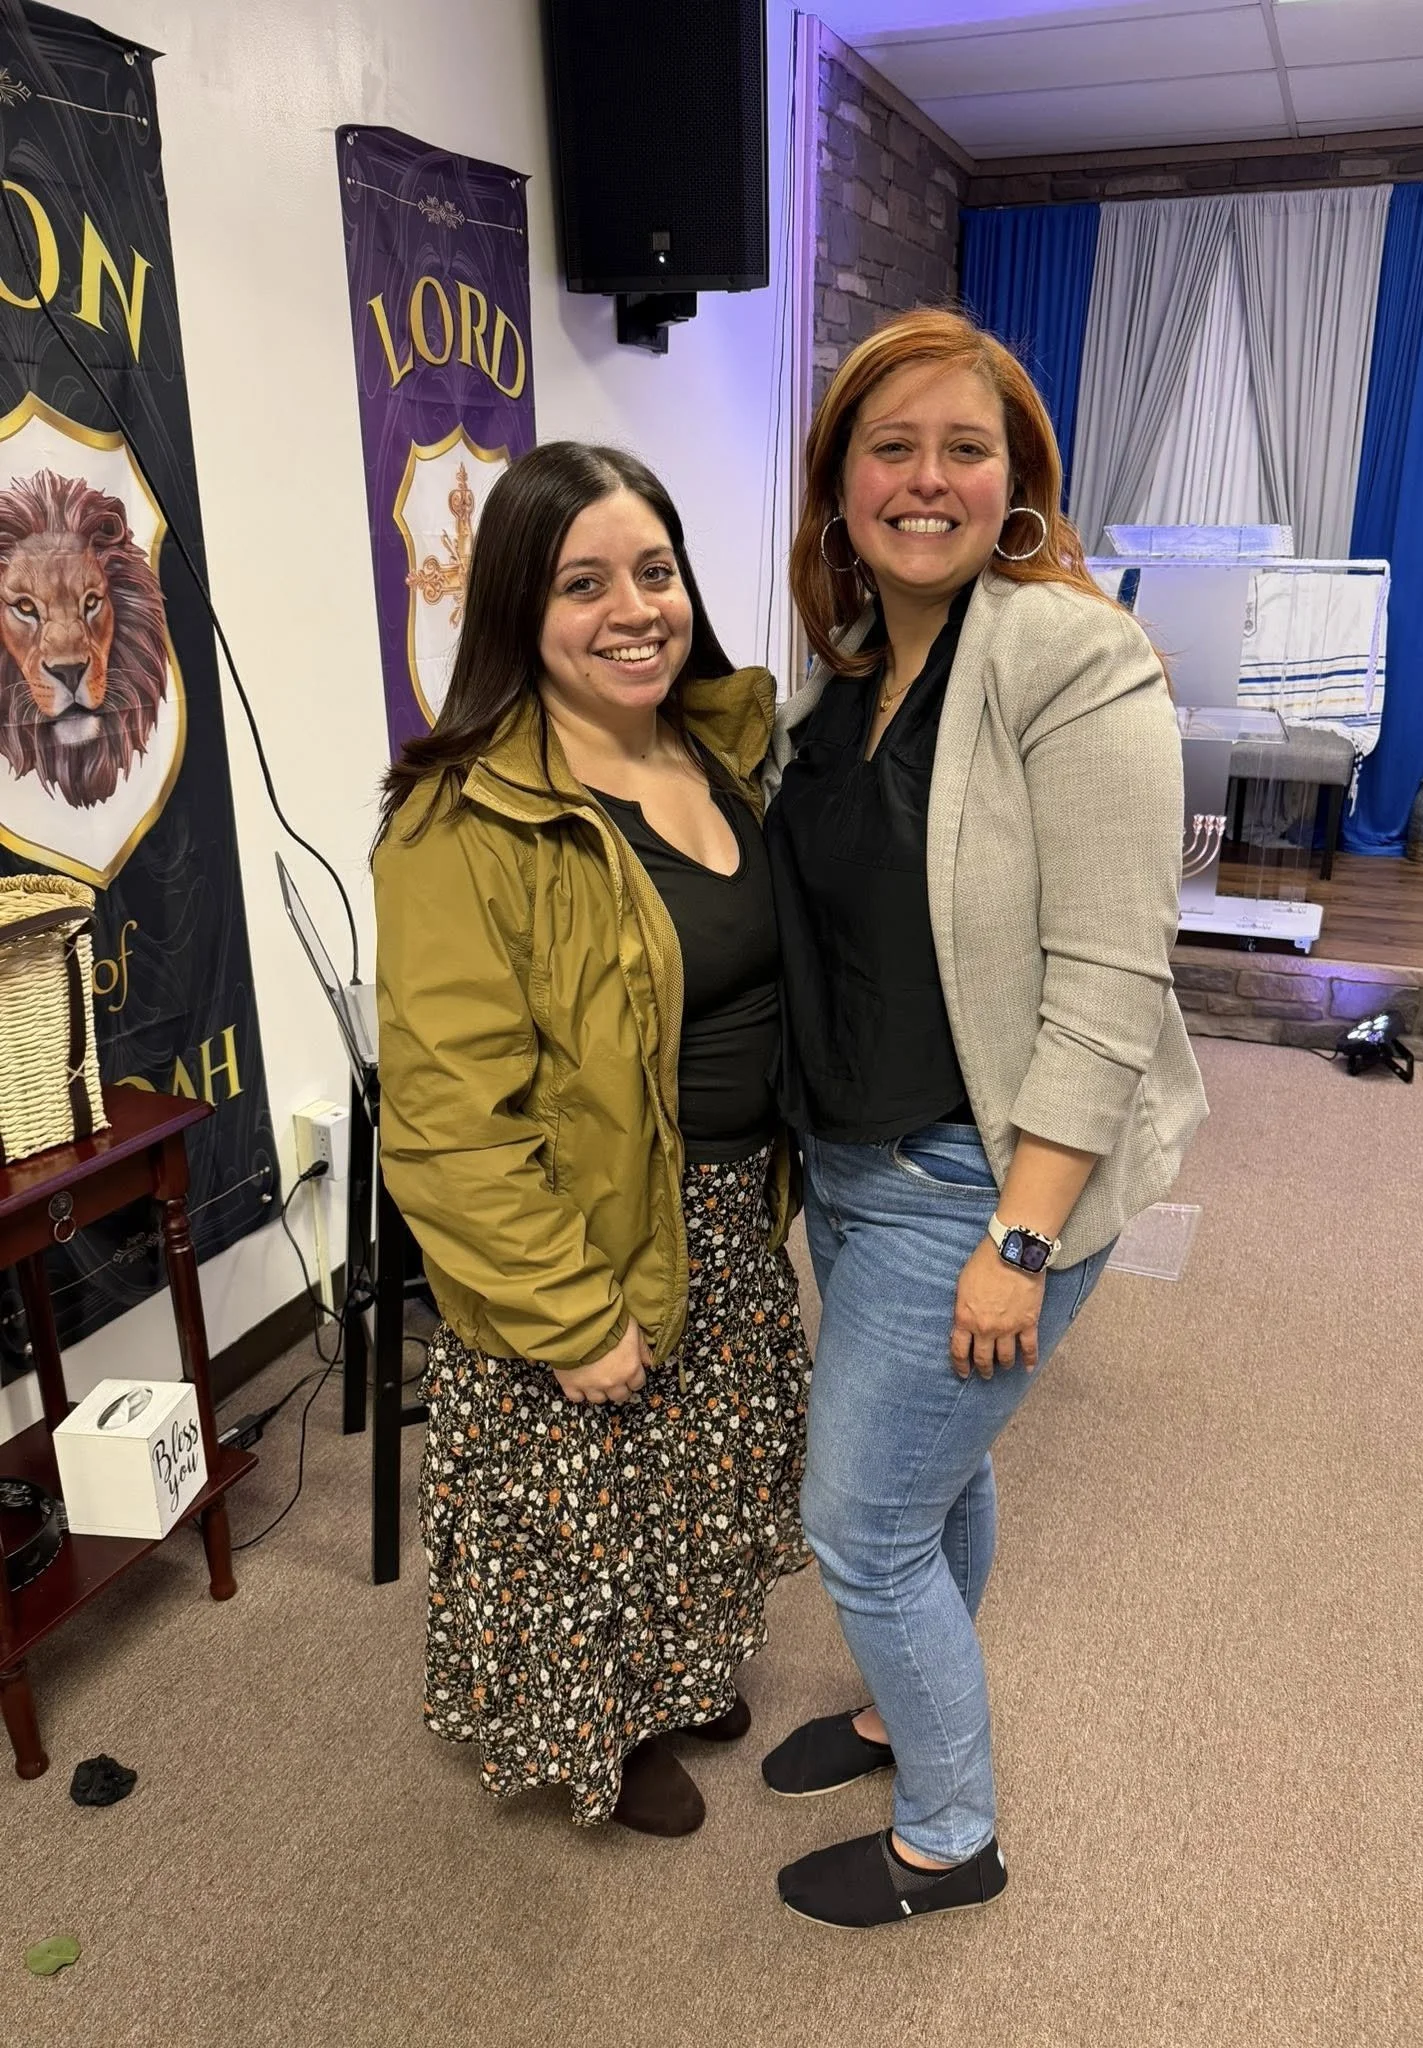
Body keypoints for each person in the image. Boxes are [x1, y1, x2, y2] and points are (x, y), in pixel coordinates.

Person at [759, 308, 1208, 1926]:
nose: (928, 479)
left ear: (1018, 480)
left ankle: (953, 1837)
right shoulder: (856, 673)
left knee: (859, 1520)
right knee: (937, 1476)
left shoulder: (1067, 655)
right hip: (859, 1169)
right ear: (841, 482)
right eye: (893, 447)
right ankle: (894, 1715)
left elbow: (1110, 976)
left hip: (984, 1177)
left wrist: (1019, 1236)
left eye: (966, 448)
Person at [373, 442, 809, 1839]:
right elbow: (446, 1128)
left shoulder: (725, 745)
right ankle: (594, 1735)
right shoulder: (462, 818)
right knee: (583, 1515)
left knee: (697, 1476)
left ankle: (676, 1678)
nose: (634, 609)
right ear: (517, 608)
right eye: (583, 583)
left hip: (728, 1206)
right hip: (578, 1240)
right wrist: (565, 1314)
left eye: (656, 571)